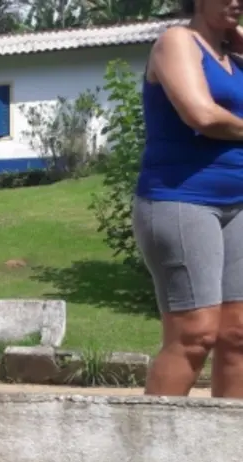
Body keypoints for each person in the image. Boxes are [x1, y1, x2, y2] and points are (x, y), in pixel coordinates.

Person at [135, 0, 243, 397]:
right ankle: (152, 452)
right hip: (181, 200)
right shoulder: (177, 42)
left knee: (238, 335)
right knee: (194, 335)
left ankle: (229, 450)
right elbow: (203, 115)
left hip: (239, 204)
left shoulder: (233, 57)